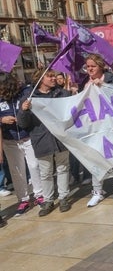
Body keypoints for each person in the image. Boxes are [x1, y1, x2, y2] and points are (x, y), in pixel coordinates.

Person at [17, 69, 72, 216]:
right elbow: (22, 124)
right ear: (41, 79)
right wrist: (23, 110)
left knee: (62, 168)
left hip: (60, 138)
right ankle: (48, 200)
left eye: (54, 75)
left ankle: (63, 197)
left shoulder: (62, 94)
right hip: (42, 139)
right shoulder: (29, 98)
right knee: (46, 172)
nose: (54, 78)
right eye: (50, 76)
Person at [80, 54, 113, 207]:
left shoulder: (111, 78)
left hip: (112, 124)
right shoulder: (86, 83)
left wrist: (103, 86)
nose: (90, 69)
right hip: (95, 126)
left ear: (100, 66)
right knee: (95, 158)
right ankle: (97, 191)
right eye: (88, 66)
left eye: (93, 66)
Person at [0, 72, 44, 215]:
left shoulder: (25, 92)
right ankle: (23, 199)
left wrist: (24, 114)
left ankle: (40, 195)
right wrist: (2, 120)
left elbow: (36, 106)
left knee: (34, 165)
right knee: (17, 171)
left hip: (27, 136)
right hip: (9, 139)